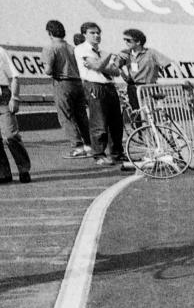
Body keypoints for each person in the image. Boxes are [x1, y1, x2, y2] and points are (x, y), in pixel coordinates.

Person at [76, 21, 127, 168]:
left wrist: (102, 63)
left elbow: (115, 71)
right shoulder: (82, 49)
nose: (97, 36)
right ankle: (99, 154)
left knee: (116, 122)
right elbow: (97, 66)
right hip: (94, 86)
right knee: (99, 122)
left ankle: (117, 152)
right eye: (92, 33)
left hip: (109, 86)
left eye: (98, 33)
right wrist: (106, 59)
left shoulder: (101, 52)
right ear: (85, 34)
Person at [42, 19, 92, 157]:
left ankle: (77, 146)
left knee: (65, 116)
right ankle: (89, 145)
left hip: (62, 83)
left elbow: (48, 70)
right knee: (81, 115)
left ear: (50, 33)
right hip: (77, 83)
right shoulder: (72, 48)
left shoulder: (51, 47)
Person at [118, 28, 174, 112]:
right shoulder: (125, 53)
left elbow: (169, 64)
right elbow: (114, 67)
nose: (126, 42)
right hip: (133, 88)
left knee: (149, 113)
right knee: (136, 114)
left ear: (138, 42)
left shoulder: (151, 53)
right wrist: (124, 76)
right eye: (124, 40)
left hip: (147, 88)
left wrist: (182, 81)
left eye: (128, 40)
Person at [0, 51, 33, 184]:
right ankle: (3, 173)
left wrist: (15, 97)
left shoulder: (0, 51)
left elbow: (14, 76)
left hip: (2, 98)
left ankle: (23, 169)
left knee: (10, 135)